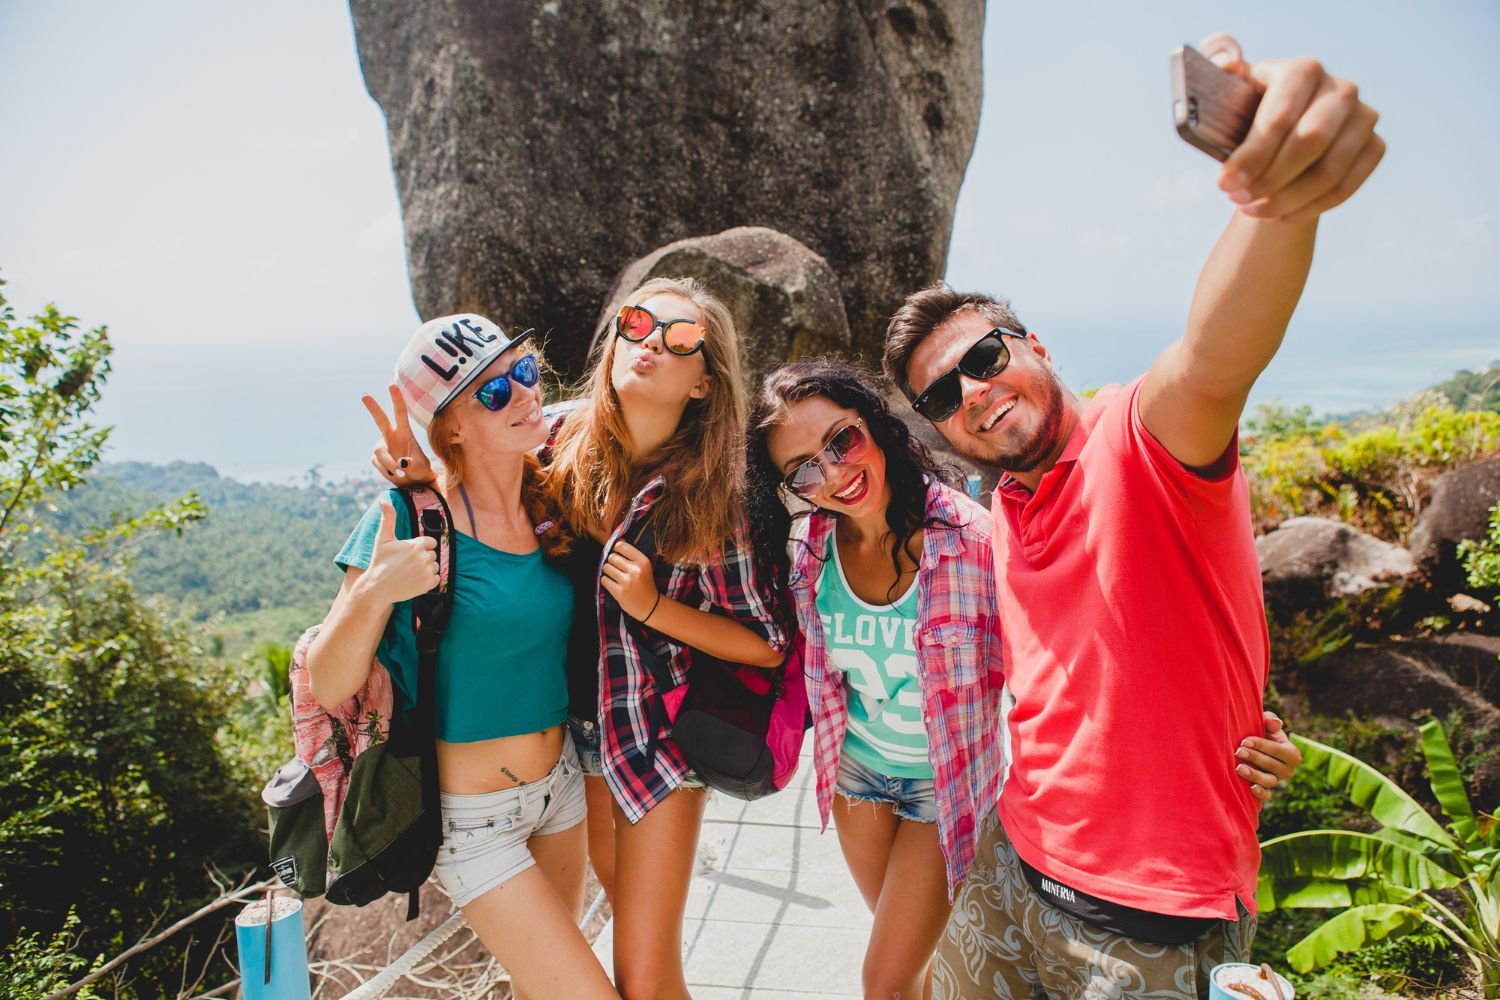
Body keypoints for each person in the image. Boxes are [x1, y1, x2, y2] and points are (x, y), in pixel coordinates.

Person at [880, 34, 1382, 1000]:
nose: (974, 395)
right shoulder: (1006, 503)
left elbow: (1214, 354)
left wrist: (1278, 199)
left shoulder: (1141, 441)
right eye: (944, 396)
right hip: (1010, 868)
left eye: (985, 358)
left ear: (1036, 344)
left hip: (1148, 924)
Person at [746, 360, 1302, 1000]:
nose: (834, 471)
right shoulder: (808, 550)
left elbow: (1083, 654)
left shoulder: (972, 538)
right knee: (920, 959)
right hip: (855, 781)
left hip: (946, 786)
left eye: (841, 441)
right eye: (804, 469)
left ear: (873, 423)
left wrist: (1243, 725)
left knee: (885, 978)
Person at [371, 278, 789, 1000]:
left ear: (703, 383)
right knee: (623, 953)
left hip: (659, 736)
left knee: (645, 973)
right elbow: (479, 490)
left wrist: (654, 607)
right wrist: (419, 478)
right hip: (582, 742)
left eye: (681, 337)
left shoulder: (717, 494)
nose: (652, 342)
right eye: (637, 322)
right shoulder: (559, 441)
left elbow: (768, 645)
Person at [312, 315, 617, 999]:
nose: (523, 394)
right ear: (451, 427)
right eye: (492, 392)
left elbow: (620, 403)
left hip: (562, 788)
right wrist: (376, 596)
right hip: (475, 822)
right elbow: (330, 679)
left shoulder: (552, 492)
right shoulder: (408, 516)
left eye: (526, 372)